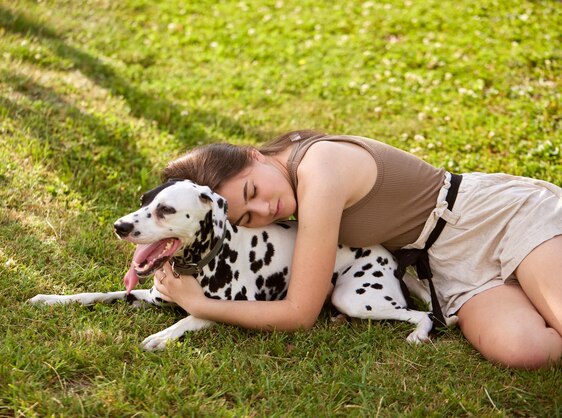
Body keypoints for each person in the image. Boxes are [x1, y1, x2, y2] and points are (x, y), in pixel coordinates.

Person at [148, 129, 562, 369]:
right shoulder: (289, 193)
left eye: (253, 191)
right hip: (444, 269)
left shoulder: (318, 168)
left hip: (494, 218)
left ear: (253, 156)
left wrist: (201, 305)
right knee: (525, 351)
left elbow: (299, 313)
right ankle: (530, 281)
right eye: (248, 218)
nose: (264, 209)